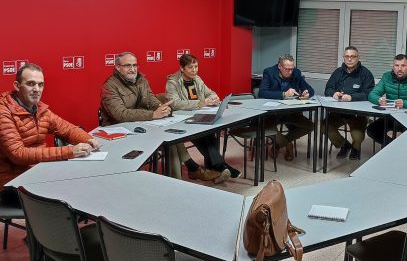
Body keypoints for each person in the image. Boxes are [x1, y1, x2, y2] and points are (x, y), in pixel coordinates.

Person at [100, 52, 223, 183]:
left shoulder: (141, 80)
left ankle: (180, 178)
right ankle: (186, 174)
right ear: (118, 67)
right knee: (169, 143)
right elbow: (121, 114)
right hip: (119, 129)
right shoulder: (109, 87)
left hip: (141, 124)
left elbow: (152, 100)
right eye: (127, 65)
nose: (133, 69)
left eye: (135, 65)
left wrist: (161, 108)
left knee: (170, 137)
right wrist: (152, 114)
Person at [0, 64, 97, 207]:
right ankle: (58, 228)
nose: (36, 90)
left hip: (38, 174)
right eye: (30, 84)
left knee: (83, 184)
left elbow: (67, 129)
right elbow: (18, 154)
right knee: (70, 196)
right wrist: (70, 151)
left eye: (40, 85)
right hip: (11, 184)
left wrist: (89, 139)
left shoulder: (40, 109)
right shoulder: (3, 112)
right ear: (17, 85)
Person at [165, 54, 240, 180]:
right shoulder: (172, 83)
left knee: (209, 134)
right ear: (182, 69)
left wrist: (214, 97)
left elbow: (209, 92)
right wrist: (200, 103)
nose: (194, 70)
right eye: (190, 67)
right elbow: (175, 103)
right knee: (204, 136)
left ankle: (216, 168)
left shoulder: (197, 79)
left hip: (199, 115)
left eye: (196, 66)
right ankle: (221, 166)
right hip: (183, 120)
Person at [259, 54, 315, 161]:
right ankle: (288, 145)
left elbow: (310, 90)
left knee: (309, 126)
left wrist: (307, 93)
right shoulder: (269, 72)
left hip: (290, 111)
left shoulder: (296, 73)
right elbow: (262, 93)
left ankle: (278, 144)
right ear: (279, 66)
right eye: (287, 69)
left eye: (291, 69)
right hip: (272, 112)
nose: (290, 72)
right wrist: (283, 94)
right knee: (266, 127)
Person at [366, 54, 407, 146]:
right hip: (390, 116)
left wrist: (405, 103)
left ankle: (402, 149)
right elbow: (372, 94)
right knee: (372, 130)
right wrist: (379, 100)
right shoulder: (386, 77)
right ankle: (393, 145)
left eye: (403, 65)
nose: (399, 69)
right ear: (393, 67)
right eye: (396, 65)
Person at [323, 46, 375, 160]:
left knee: (358, 136)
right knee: (324, 126)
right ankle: (344, 145)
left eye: (353, 56)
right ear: (344, 58)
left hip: (357, 114)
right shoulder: (337, 72)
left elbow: (370, 93)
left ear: (358, 58)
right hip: (338, 112)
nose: (349, 59)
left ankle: (356, 148)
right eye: (347, 56)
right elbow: (328, 89)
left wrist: (352, 97)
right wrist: (334, 93)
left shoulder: (366, 73)